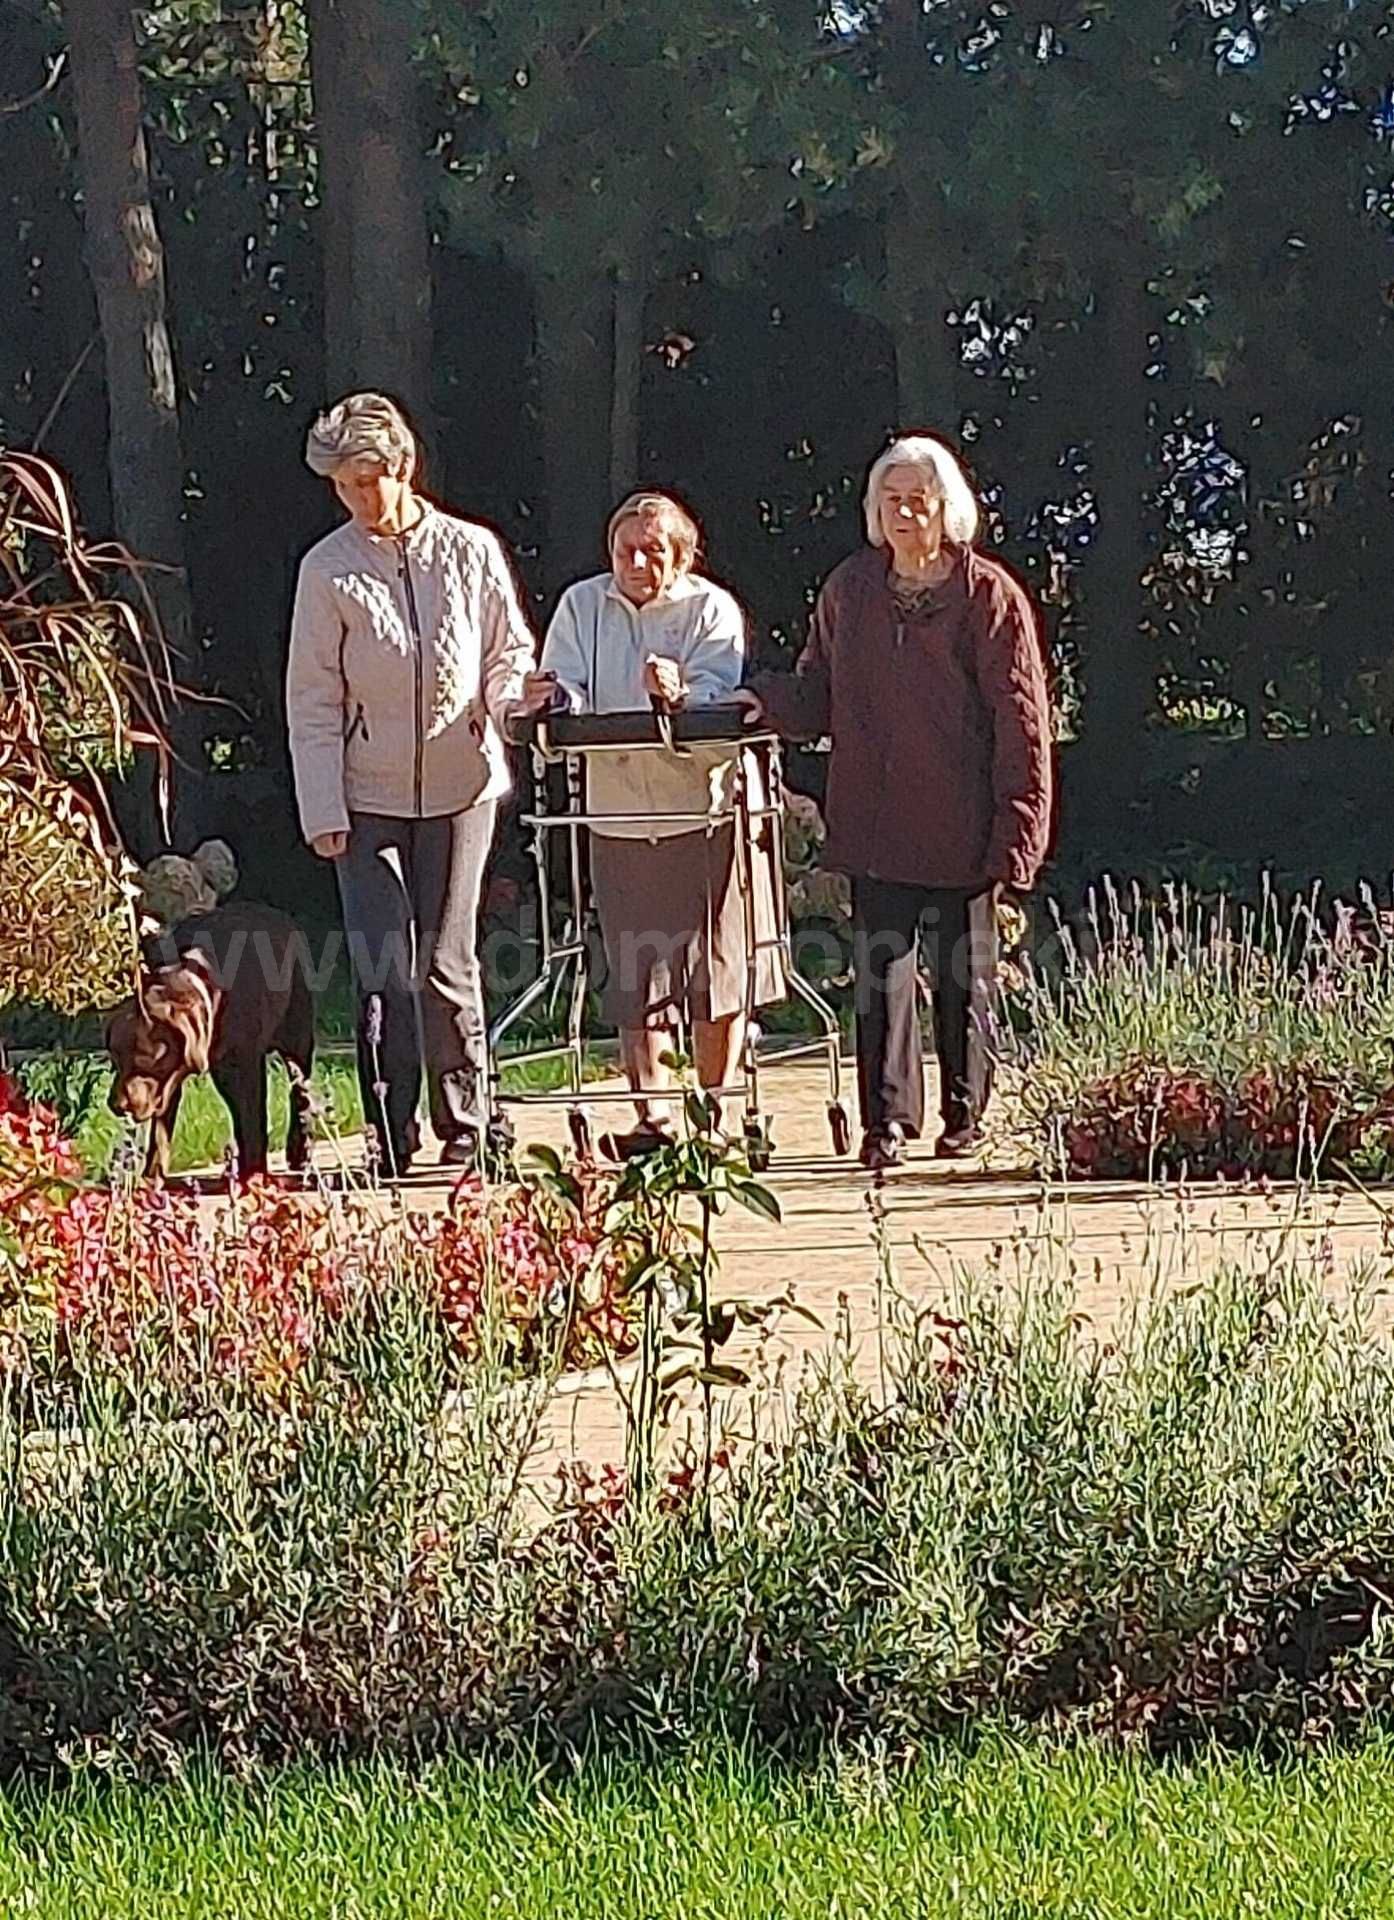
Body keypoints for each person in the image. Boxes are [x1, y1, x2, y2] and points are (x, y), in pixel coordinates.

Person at [740, 434, 1053, 1171]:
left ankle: (964, 1115)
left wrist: (1018, 831)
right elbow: (819, 690)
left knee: (962, 976)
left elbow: (1022, 720)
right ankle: (886, 1123)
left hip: (962, 819)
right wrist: (764, 701)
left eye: (919, 500)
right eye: (892, 500)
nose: (905, 513)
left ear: (949, 509)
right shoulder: (850, 589)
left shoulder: (988, 596)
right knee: (880, 979)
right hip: (875, 819)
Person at [286, 391, 550, 1176]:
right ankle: (388, 1132)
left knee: (447, 960)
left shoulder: (471, 549)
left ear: (404, 467)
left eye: (368, 481)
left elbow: (506, 653)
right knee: (383, 968)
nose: (358, 499)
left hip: (463, 786)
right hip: (364, 795)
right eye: (343, 486)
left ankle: (468, 1124)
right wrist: (323, 808)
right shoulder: (326, 569)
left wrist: (510, 704)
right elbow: (312, 696)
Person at [524, 490, 784, 1157]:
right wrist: (552, 699)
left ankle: (713, 1117)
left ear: (684, 557)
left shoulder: (711, 609)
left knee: (715, 974)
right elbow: (565, 687)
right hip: (616, 812)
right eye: (625, 551)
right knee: (636, 975)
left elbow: (721, 701)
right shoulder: (582, 605)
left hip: (704, 811)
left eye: (653, 551)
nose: (637, 564)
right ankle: (654, 1119)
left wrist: (680, 695)